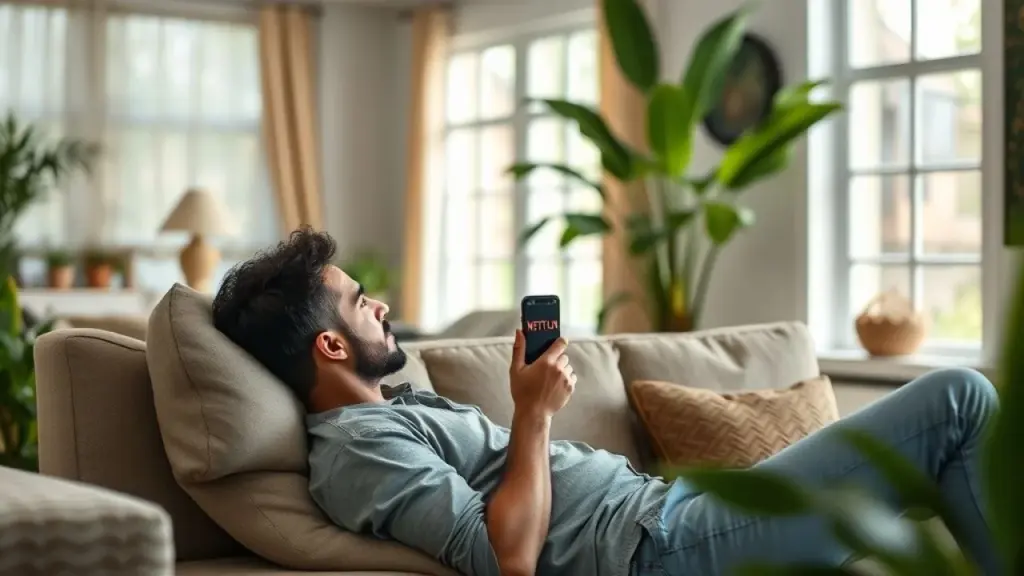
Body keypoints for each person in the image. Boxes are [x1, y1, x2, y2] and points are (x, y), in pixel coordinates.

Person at [212, 228, 1001, 576]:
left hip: (674, 511)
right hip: (664, 551)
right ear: (330, 346)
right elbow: (505, 559)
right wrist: (532, 414)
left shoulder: (391, 409)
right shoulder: (355, 451)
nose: (380, 304)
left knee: (950, 438)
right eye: (358, 302)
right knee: (958, 400)